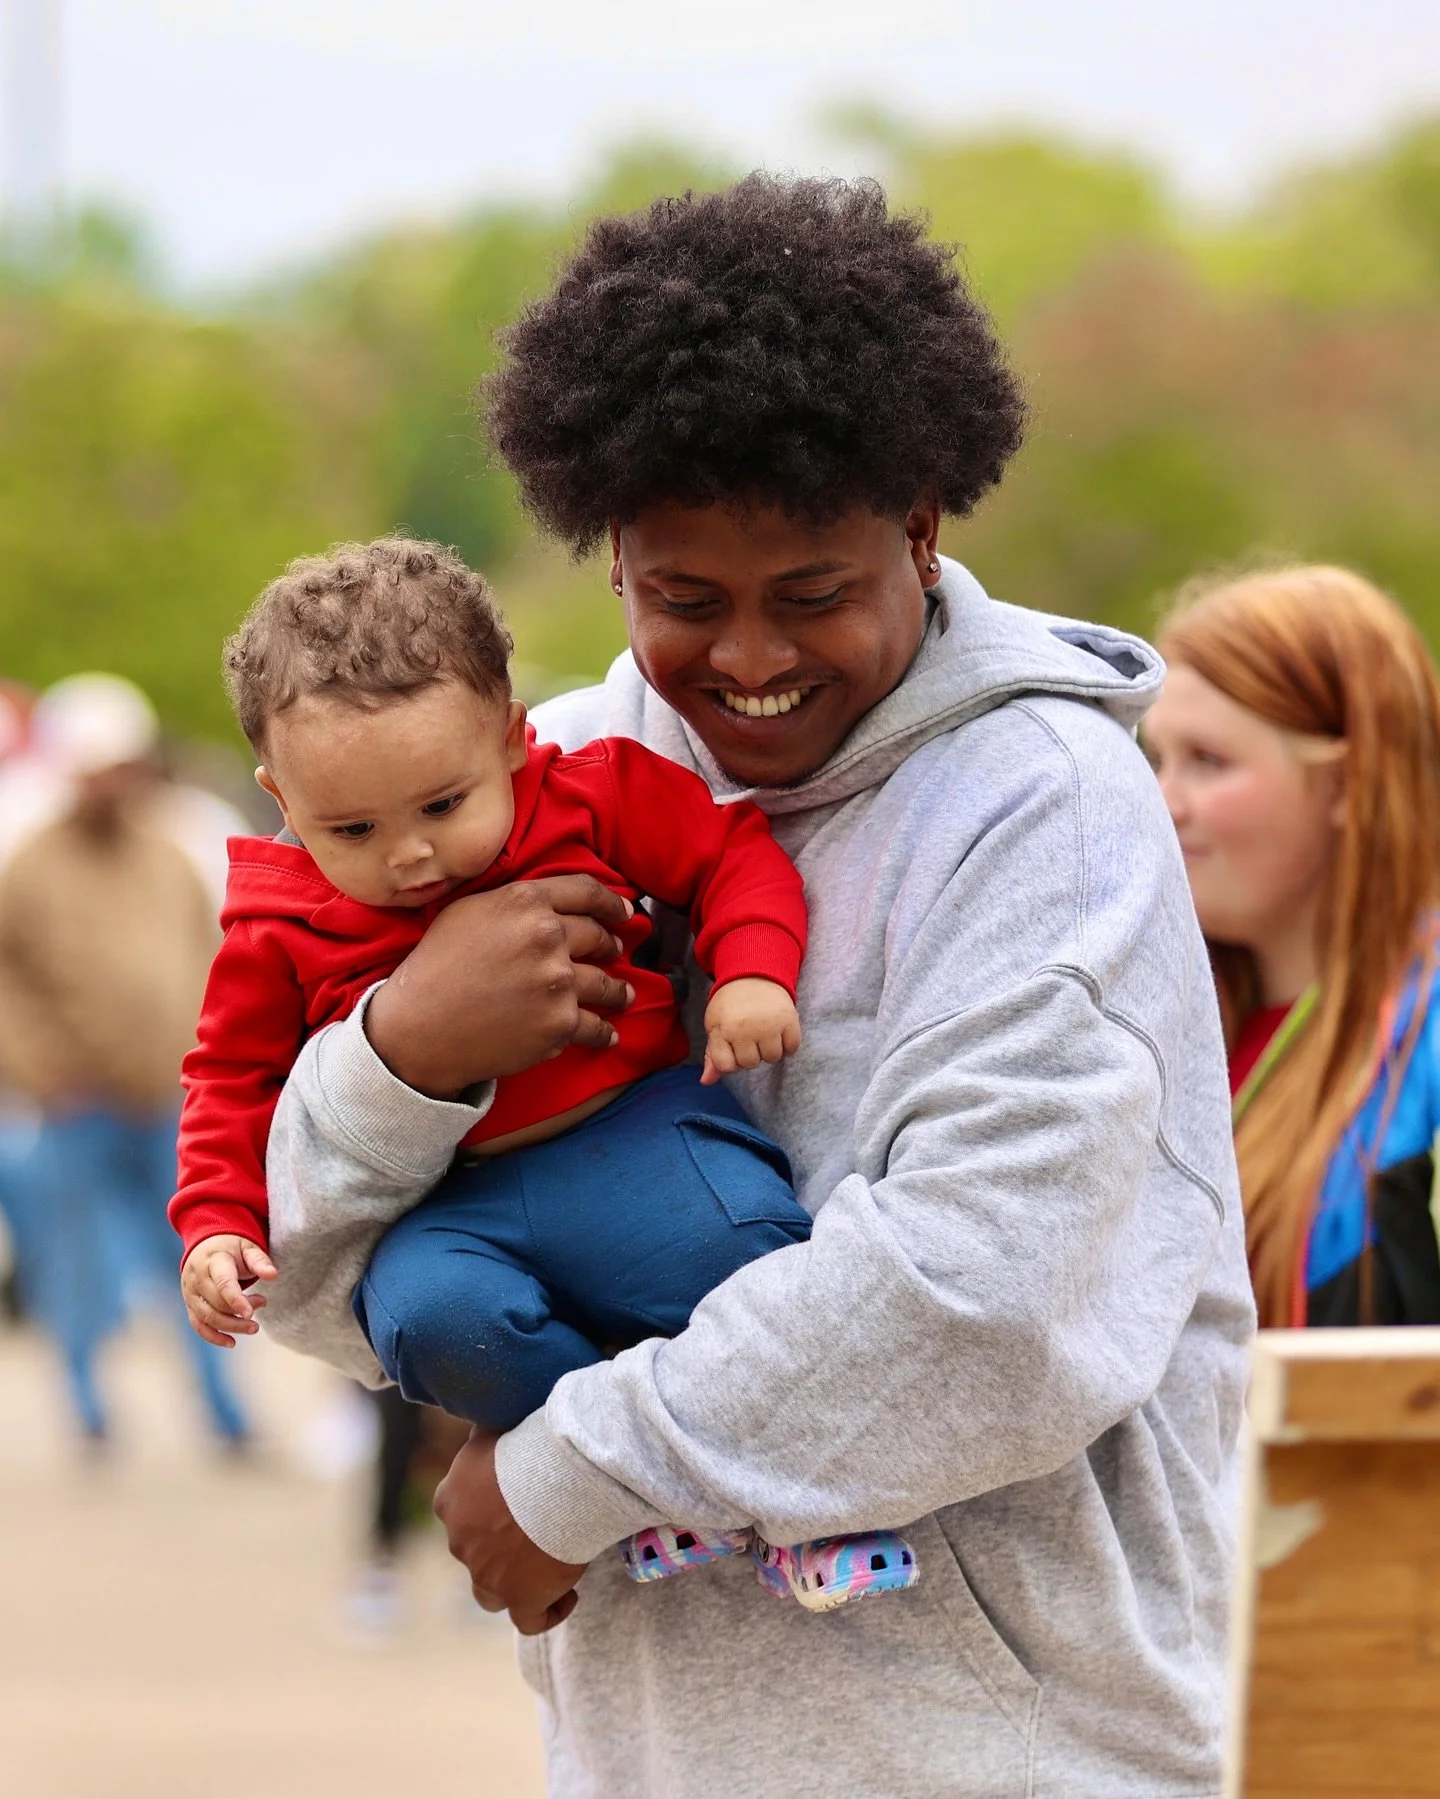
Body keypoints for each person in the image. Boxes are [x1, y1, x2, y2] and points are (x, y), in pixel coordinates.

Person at [262, 177, 1252, 1796]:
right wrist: (404, 1053)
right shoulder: (525, 787)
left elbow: (983, 1294)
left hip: (1007, 1752)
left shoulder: (1046, 808)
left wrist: (570, 1467)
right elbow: (308, 1279)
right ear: (612, 559)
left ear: (922, 527)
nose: (747, 657)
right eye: (681, 599)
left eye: (811, 594)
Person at [173, 536, 916, 1607]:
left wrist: (752, 971)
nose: (411, 855)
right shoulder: (274, 920)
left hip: (632, 1130)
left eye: (442, 804)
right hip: (447, 1196)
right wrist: (217, 1223)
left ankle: (823, 1509)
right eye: (353, 828)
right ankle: (636, 1492)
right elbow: (230, 1079)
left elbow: (730, 853)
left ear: (516, 740)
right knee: (434, 1321)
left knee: (743, 1256)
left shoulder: (592, 791)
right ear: (278, 797)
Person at [1144, 564, 1440, 1329]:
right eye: (1157, 760)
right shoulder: (1155, 1022)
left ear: (1348, 784)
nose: (1162, 803)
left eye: (1208, 761)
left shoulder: (1423, 1055)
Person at [0, 673, 249, 1446]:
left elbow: (209, 958)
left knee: (194, 1262)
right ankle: (89, 1412)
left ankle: (224, 1414)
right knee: (72, 1265)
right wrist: (43, 1072)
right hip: (77, 1103)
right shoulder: (32, 866)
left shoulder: (169, 855)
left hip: (168, 1096)